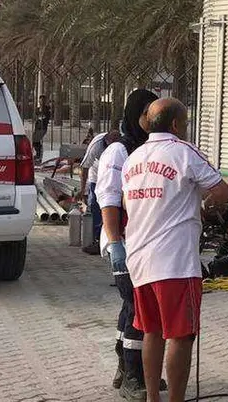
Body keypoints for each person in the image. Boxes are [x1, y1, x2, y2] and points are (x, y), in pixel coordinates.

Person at [122, 98, 228, 402]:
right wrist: (209, 205)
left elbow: (127, 204)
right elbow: (221, 192)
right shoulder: (184, 152)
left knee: (152, 333)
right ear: (175, 125)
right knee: (181, 336)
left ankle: (153, 398)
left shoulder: (134, 158)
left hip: (140, 261)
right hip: (174, 263)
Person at [96, 88, 164, 400]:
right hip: (123, 242)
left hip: (143, 241)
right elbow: (108, 201)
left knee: (130, 306)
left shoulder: (148, 148)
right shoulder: (118, 152)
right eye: (147, 115)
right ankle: (135, 377)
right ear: (135, 115)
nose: (152, 121)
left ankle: (127, 368)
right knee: (140, 307)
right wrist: (116, 244)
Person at [78, 128, 119, 255]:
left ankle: (111, 239)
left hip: (113, 176)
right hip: (96, 177)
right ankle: (96, 240)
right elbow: (84, 168)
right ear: (106, 141)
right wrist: (82, 189)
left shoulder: (121, 145)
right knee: (95, 207)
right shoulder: (96, 145)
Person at [32, 95, 52, 164]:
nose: (41, 102)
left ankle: (39, 155)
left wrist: (42, 112)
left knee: (36, 140)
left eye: (43, 100)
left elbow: (46, 116)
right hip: (37, 127)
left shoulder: (47, 109)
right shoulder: (37, 109)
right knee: (34, 141)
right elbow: (36, 117)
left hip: (43, 127)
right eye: (40, 100)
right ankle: (38, 154)